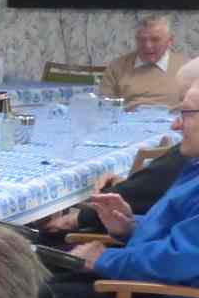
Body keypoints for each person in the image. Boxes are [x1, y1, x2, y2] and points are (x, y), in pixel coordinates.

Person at [24, 79, 199, 298]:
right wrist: (130, 227)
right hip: (164, 287)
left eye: (186, 115)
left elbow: (176, 260)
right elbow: (181, 242)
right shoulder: (194, 168)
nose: (176, 126)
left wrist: (103, 259)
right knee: (40, 280)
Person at [39, 53, 199, 236]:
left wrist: (99, 252)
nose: (174, 124)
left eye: (185, 110)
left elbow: (172, 257)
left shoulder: (187, 158)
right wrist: (130, 225)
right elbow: (164, 212)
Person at [99, 15, 180, 109]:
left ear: (169, 41)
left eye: (155, 39)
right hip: (126, 121)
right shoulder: (117, 66)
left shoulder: (187, 67)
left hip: (173, 122)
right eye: (142, 40)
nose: (148, 45)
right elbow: (103, 106)